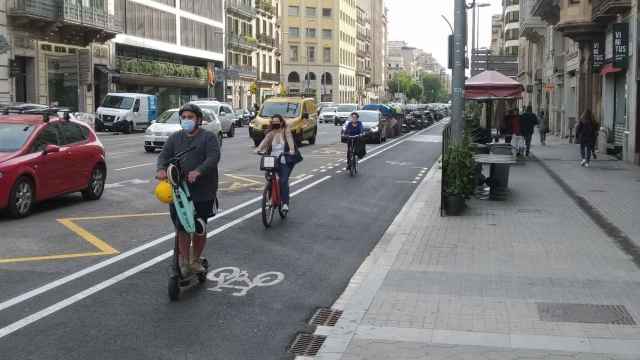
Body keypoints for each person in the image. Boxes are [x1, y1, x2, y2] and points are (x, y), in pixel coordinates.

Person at [156, 104, 220, 274]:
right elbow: (163, 156)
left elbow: (213, 157)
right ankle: (185, 261)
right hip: (180, 191)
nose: (186, 120)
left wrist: (198, 171)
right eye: (183, 117)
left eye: (190, 117)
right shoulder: (175, 138)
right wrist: (161, 169)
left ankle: (196, 259)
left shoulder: (209, 137)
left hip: (203, 191)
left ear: (198, 120)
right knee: (182, 228)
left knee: (199, 227)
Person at [256, 114, 297, 212]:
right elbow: (264, 142)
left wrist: (291, 150)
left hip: (283, 159)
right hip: (272, 159)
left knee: (283, 180)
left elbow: (290, 140)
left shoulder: (285, 131)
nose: (275, 124)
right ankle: (271, 195)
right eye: (273, 122)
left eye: (277, 122)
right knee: (270, 178)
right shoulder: (271, 133)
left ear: (281, 122)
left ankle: (285, 203)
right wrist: (258, 149)